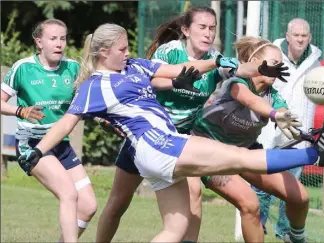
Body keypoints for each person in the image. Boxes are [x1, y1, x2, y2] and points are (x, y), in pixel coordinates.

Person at [18, 23, 324, 243]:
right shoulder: (93, 85)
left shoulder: (134, 67)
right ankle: (313, 154)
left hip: (159, 150)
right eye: (122, 49)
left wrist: (227, 64)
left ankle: (312, 153)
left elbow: (183, 72)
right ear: (103, 52)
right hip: (157, 145)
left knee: (176, 225)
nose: (128, 53)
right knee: (239, 158)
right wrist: (38, 150)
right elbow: (65, 124)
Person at [96, 6, 290, 243]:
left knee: (193, 193)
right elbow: (152, 80)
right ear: (186, 30)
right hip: (148, 135)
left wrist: (261, 69)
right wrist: (177, 83)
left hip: (185, 138)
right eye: (202, 27)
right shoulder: (170, 51)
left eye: (212, 28)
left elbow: (239, 70)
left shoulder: (214, 59)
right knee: (117, 204)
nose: (208, 33)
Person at [191, 36, 324, 243]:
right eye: (275, 63)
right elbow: (250, 100)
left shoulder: (273, 95)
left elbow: (284, 114)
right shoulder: (236, 82)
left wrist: (302, 134)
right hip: (211, 152)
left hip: (246, 152)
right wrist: (275, 115)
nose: (279, 67)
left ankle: (296, 238)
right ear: (255, 62)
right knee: (251, 204)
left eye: (280, 64)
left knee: (300, 196)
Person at [0, 19, 97, 242]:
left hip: (61, 145)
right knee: (69, 194)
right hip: (31, 144)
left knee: (89, 205)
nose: (59, 44)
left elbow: (87, 103)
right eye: (53, 39)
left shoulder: (73, 68)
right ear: (39, 42)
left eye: (62, 38)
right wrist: (20, 111)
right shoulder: (23, 68)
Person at [256, 18, 322, 241]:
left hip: (298, 133)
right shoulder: (272, 57)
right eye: (296, 35)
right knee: (262, 186)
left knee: (292, 190)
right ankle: (257, 226)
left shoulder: (316, 63)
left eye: (304, 35)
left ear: (310, 37)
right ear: (287, 36)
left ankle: (286, 232)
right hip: (269, 131)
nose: (301, 39)